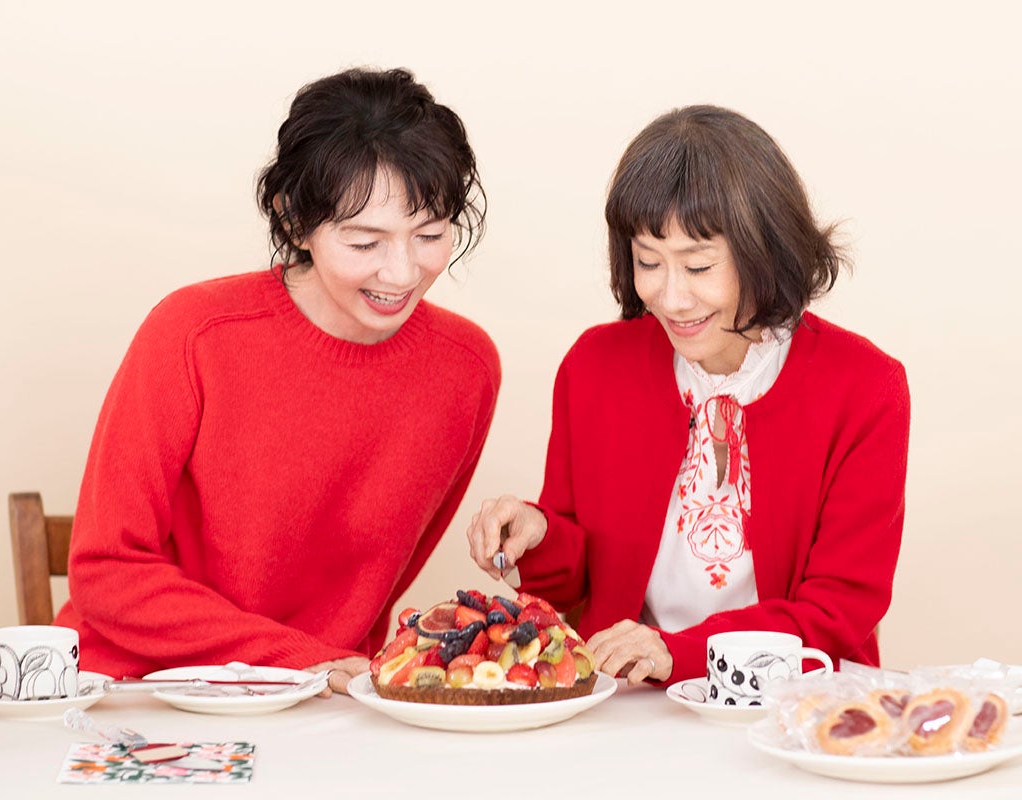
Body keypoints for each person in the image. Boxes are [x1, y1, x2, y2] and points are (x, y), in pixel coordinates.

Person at [55, 67, 500, 694]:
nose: (402, 273)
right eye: (365, 242)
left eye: (429, 235)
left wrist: (313, 672)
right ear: (294, 222)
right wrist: (291, 658)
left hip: (320, 704)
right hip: (140, 691)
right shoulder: (195, 333)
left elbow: (370, 587)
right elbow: (106, 570)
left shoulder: (466, 369)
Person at [466, 105, 909, 688]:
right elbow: (575, 584)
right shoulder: (594, 367)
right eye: (648, 262)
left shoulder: (865, 386)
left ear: (765, 251)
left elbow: (837, 613)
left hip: (795, 706)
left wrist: (682, 652)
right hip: (627, 707)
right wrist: (537, 534)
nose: (671, 298)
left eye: (699, 267)